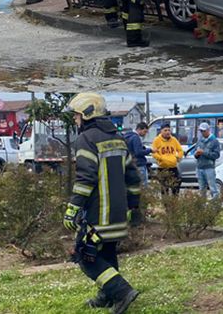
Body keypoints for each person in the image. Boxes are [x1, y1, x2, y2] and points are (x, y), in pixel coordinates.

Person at [62, 93, 141, 314]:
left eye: (76, 116)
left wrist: (73, 207)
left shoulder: (86, 139)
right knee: (106, 253)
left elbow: (85, 177)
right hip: (118, 213)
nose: (75, 120)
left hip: (98, 215)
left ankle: (121, 291)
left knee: (84, 255)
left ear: (87, 114)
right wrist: (134, 206)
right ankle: (107, 296)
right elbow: (133, 177)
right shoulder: (118, 138)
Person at [150, 122, 183, 195]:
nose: (167, 132)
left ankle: (174, 203)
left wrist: (178, 157)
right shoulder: (157, 140)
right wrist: (160, 158)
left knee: (177, 184)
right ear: (161, 131)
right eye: (165, 130)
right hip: (163, 168)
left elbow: (180, 150)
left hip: (173, 167)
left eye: (169, 130)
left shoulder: (174, 139)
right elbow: (154, 152)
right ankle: (166, 205)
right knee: (164, 188)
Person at [194, 122, 221, 199]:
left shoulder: (214, 141)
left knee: (213, 188)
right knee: (202, 189)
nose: (202, 133)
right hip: (199, 167)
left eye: (204, 131)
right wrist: (197, 154)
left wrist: (204, 152)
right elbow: (195, 155)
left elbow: (216, 155)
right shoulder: (199, 141)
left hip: (209, 168)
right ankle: (202, 206)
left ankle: (215, 205)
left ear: (208, 130)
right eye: (201, 131)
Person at [124, 122, 151, 188]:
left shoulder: (127, 136)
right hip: (139, 163)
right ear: (139, 129)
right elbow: (138, 152)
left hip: (131, 163)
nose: (145, 134)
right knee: (143, 185)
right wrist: (149, 150)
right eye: (144, 131)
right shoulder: (136, 138)